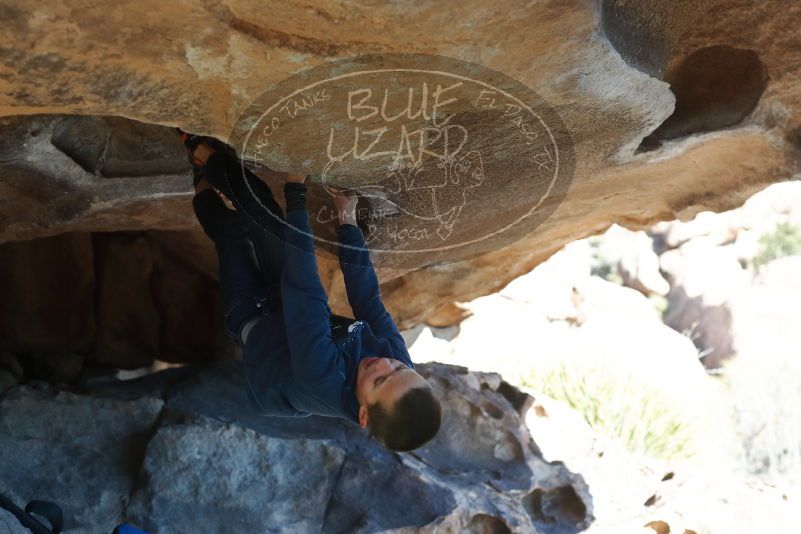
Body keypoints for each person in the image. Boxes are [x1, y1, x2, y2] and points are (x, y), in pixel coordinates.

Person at [179, 131, 442, 452]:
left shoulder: (323, 379)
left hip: (255, 318)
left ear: (362, 414)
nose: (383, 365)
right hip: (291, 310)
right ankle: (204, 153)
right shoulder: (394, 363)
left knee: (231, 235)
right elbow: (367, 299)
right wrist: (347, 220)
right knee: (261, 209)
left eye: (379, 381)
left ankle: (199, 169)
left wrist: (296, 192)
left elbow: (306, 294)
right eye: (400, 368)